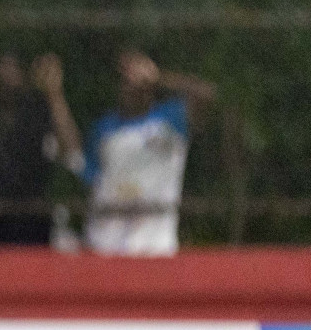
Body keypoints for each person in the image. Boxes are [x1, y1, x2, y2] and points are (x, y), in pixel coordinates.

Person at [84, 49, 216, 256]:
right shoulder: (104, 128)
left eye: (135, 76)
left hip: (155, 249)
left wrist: (159, 77)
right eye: (124, 78)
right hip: (106, 248)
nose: (129, 84)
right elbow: (89, 175)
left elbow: (207, 94)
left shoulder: (171, 118)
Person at [0, 51, 83, 245]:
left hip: (33, 219)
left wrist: (55, 94)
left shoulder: (39, 108)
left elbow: (71, 149)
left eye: (14, 67)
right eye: (2, 66)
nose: (7, 74)